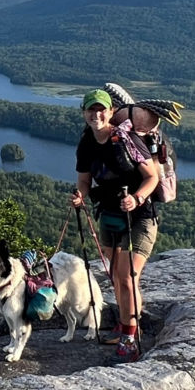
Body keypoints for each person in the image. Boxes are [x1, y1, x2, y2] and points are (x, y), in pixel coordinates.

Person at [70, 89, 159, 363]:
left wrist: (136, 198)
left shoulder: (126, 139)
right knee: (116, 276)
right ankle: (126, 324)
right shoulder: (86, 143)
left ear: (110, 112)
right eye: (90, 110)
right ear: (84, 113)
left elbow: (152, 177)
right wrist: (80, 196)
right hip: (109, 215)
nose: (96, 115)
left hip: (140, 216)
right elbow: (84, 181)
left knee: (125, 276)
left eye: (101, 110)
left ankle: (130, 337)